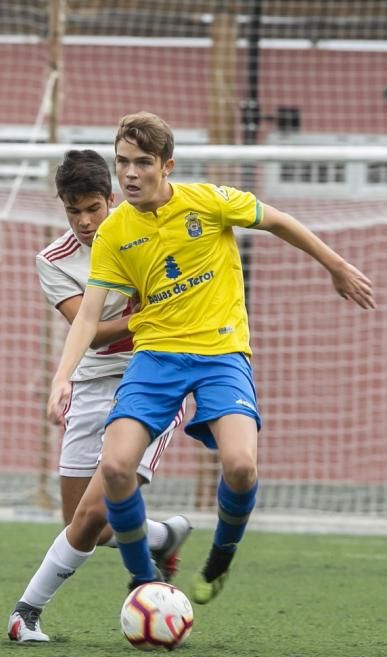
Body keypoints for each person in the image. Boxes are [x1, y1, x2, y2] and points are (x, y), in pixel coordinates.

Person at [47, 112, 375, 609]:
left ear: (167, 165)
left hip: (222, 355)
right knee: (115, 468)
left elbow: (279, 220)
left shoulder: (209, 201)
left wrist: (335, 265)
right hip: (156, 357)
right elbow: (88, 317)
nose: (130, 173)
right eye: (122, 162)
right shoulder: (115, 233)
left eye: (141, 162)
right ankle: (143, 586)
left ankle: (221, 554)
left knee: (241, 466)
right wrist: (61, 378)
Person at [8, 149, 190, 643]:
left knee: (92, 513)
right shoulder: (53, 260)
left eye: (93, 208)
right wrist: (157, 311)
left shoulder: (147, 231)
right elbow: (91, 331)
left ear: (111, 199)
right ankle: (161, 535)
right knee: (82, 522)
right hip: (89, 382)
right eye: (73, 211)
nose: (85, 221)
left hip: (151, 381)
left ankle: (25, 613)